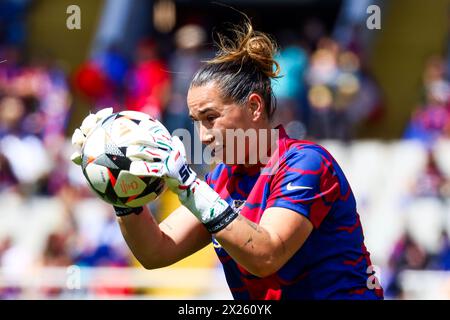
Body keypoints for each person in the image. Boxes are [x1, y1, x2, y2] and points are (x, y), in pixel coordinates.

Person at [71, 21, 383, 300]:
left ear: (255, 107)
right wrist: (120, 187)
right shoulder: (221, 178)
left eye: (210, 118)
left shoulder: (307, 164)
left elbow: (266, 256)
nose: (202, 135)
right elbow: (156, 251)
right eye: (195, 120)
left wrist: (190, 186)